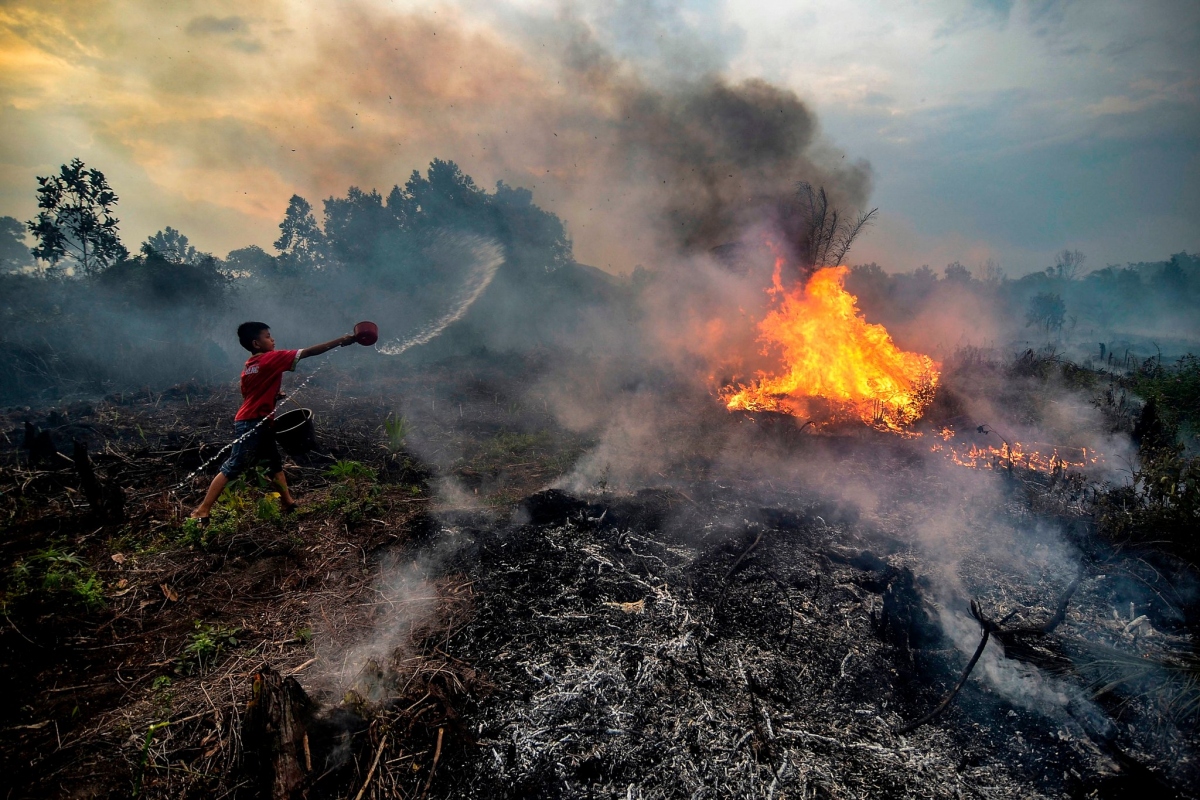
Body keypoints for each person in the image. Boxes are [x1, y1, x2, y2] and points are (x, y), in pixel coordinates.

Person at [189, 322, 355, 522]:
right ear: (256, 343)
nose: (272, 339)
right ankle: (202, 510)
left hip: (256, 420)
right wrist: (341, 340)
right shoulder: (271, 359)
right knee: (234, 465)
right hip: (252, 422)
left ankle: (287, 503)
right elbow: (308, 352)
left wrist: (273, 397)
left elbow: (249, 394)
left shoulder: (249, 367)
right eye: (267, 336)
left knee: (274, 463)